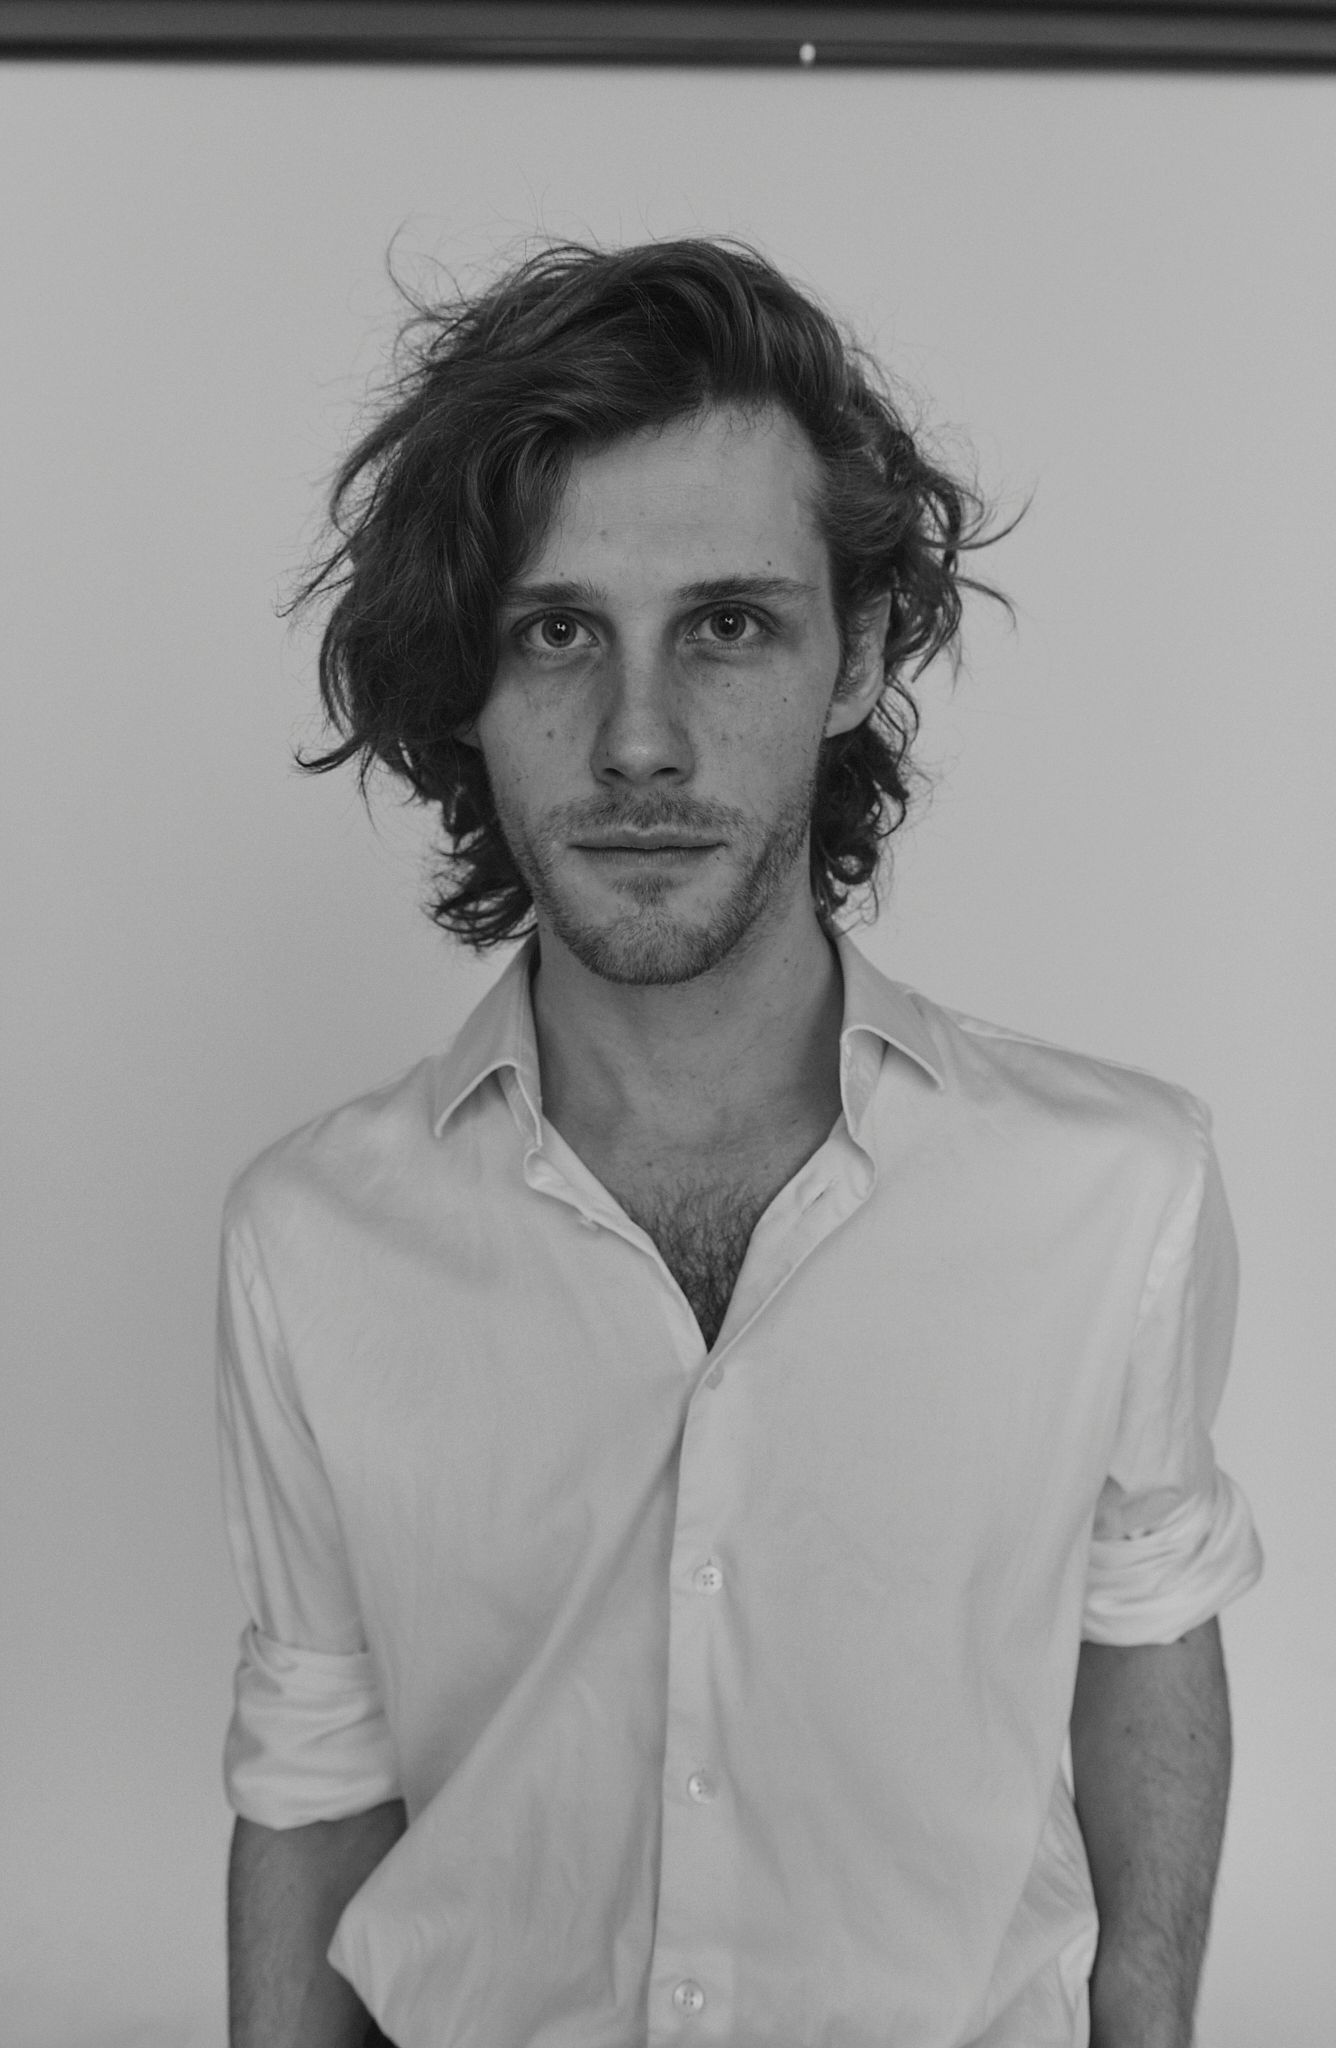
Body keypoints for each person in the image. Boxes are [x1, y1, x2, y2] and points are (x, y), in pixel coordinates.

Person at [218, 237, 1263, 2048]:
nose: (638, 742)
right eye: (557, 631)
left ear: (855, 656)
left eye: (727, 625)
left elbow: (1146, 1619)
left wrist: (1147, 2021)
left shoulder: (1116, 1191)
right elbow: (317, 1762)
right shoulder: (310, 1238)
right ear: (465, 678)